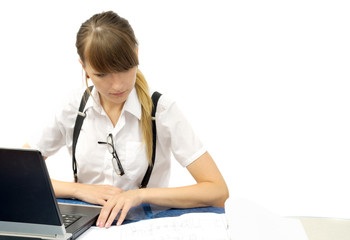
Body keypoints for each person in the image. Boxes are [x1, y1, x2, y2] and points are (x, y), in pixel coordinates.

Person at [25, 11, 228, 228]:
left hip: (143, 227)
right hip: (88, 227)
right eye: (102, 74)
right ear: (84, 68)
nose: (117, 85)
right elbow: (20, 176)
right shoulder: (73, 108)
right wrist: (80, 190)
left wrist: (140, 196)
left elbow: (217, 191)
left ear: (136, 55)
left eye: (124, 69)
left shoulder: (161, 110)